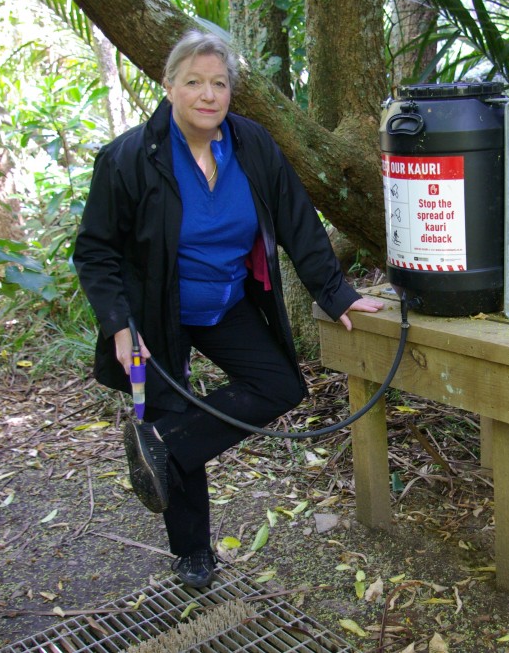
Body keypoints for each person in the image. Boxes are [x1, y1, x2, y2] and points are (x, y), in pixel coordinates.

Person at [74, 29, 383, 588]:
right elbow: (95, 251)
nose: (208, 94)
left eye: (219, 83)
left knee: (279, 385)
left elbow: (297, 220)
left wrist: (336, 293)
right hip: (154, 314)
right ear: (169, 86)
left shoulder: (252, 144)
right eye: (193, 82)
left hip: (226, 301)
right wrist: (120, 325)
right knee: (166, 409)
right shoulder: (127, 159)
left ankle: (164, 447)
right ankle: (192, 553)